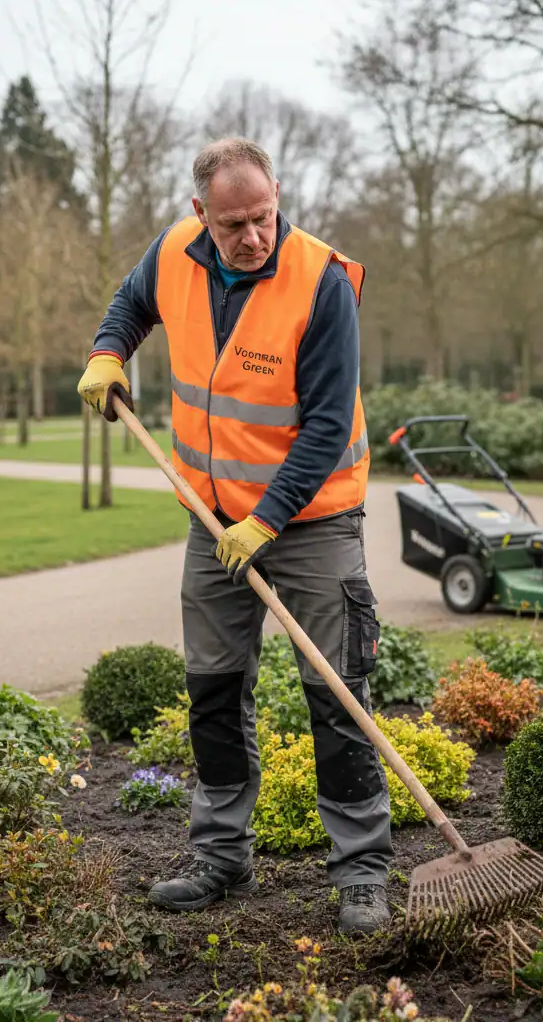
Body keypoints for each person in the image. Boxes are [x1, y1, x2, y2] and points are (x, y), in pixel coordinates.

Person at [75, 137, 393, 936]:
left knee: (338, 690)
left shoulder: (321, 282)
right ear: (199, 215)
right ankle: (221, 856)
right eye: (233, 224)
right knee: (214, 689)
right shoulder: (175, 251)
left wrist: (265, 519)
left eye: (264, 217)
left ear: (279, 195)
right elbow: (129, 303)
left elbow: (324, 427)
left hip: (313, 520)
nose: (253, 237)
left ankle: (361, 873)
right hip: (211, 518)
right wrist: (109, 354)